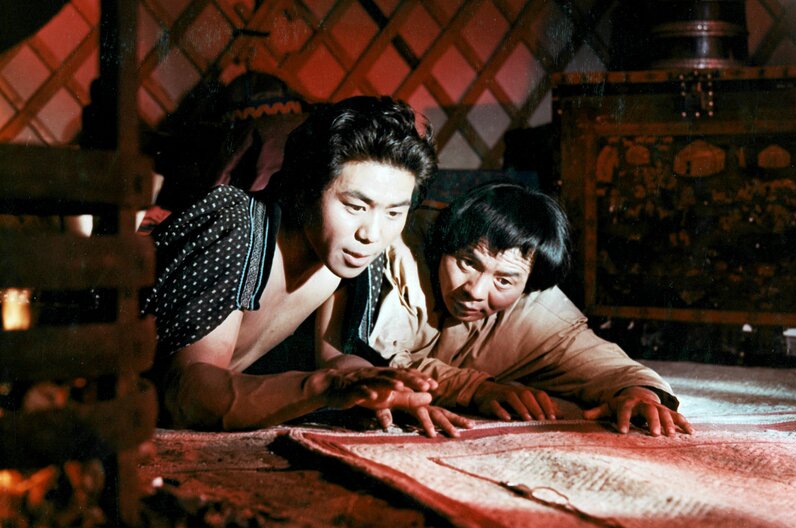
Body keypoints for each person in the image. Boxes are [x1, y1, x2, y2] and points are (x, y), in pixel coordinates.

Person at [143, 96, 441, 430]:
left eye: (394, 212)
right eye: (355, 207)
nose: (372, 233)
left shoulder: (354, 252)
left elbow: (334, 357)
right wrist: (324, 387)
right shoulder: (235, 224)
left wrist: (383, 386)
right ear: (307, 188)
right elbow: (187, 392)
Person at [317, 181, 694, 438]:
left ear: (529, 285)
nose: (474, 291)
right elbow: (372, 359)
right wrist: (475, 389)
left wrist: (640, 394)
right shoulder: (398, 256)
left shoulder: (540, 311)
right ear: (445, 246)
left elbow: (611, 367)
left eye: (504, 281)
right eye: (467, 262)